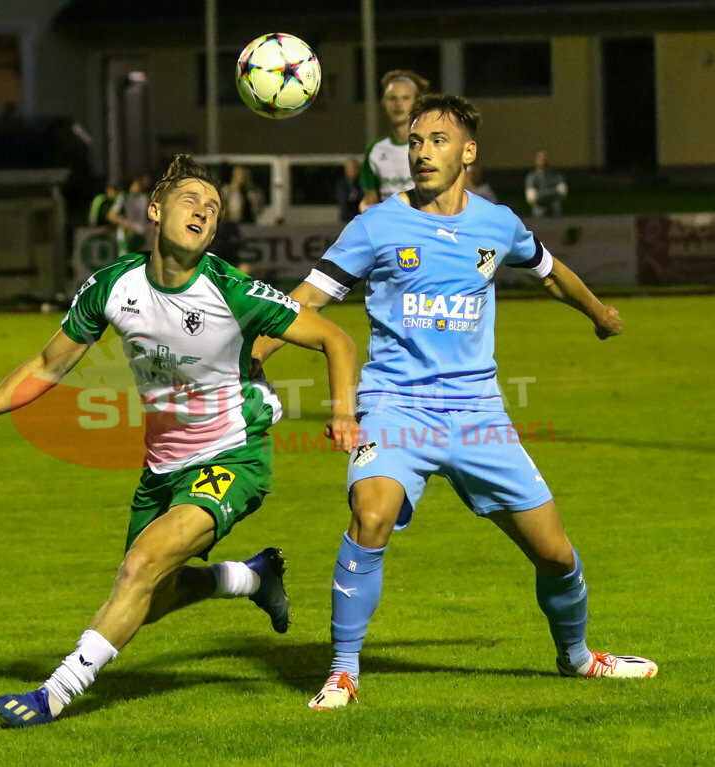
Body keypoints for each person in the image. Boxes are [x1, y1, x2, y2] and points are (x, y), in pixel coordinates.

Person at [0, 154, 361, 727]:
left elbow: (336, 338)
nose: (204, 211)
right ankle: (251, 577)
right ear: (154, 211)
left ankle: (52, 695)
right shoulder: (113, 285)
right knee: (149, 596)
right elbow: (47, 367)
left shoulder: (232, 290)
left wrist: (345, 414)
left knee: (139, 569)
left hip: (234, 452)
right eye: (191, 200)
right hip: (162, 467)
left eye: (214, 207)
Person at [253, 94, 657, 710]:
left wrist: (598, 313)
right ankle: (342, 671)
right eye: (416, 142)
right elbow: (308, 297)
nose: (422, 152)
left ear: (468, 152)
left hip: (478, 416)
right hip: (395, 408)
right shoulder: (377, 225)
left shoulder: (496, 223)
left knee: (555, 553)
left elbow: (549, 272)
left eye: (437, 140)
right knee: (371, 513)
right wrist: (254, 353)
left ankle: (578, 658)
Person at [359, 70, 431, 212]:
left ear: (417, 102)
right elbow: (369, 200)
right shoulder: (375, 150)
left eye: (405, 98)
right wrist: (367, 211)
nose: (398, 104)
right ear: (384, 102)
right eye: (392, 98)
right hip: (390, 230)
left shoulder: (432, 146)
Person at [108, 174, 152, 254]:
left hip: (141, 234)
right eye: (142, 183)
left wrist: (148, 226)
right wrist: (128, 225)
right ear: (135, 182)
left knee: (144, 260)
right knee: (127, 260)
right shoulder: (124, 197)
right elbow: (112, 216)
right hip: (127, 235)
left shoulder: (145, 197)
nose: (144, 186)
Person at [525, 150, 567, 217]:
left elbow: (562, 192)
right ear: (536, 161)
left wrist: (540, 194)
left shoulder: (557, 176)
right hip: (538, 213)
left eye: (545, 159)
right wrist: (554, 192)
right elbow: (531, 197)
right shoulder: (531, 177)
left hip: (555, 213)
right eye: (540, 159)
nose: (543, 161)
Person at [336, 158, 363, 223]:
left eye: (354, 168)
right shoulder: (342, 184)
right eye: (350, 169)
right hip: (346, 216)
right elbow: (342, 200)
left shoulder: (361, 183)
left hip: (359, 215)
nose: (353, 171)